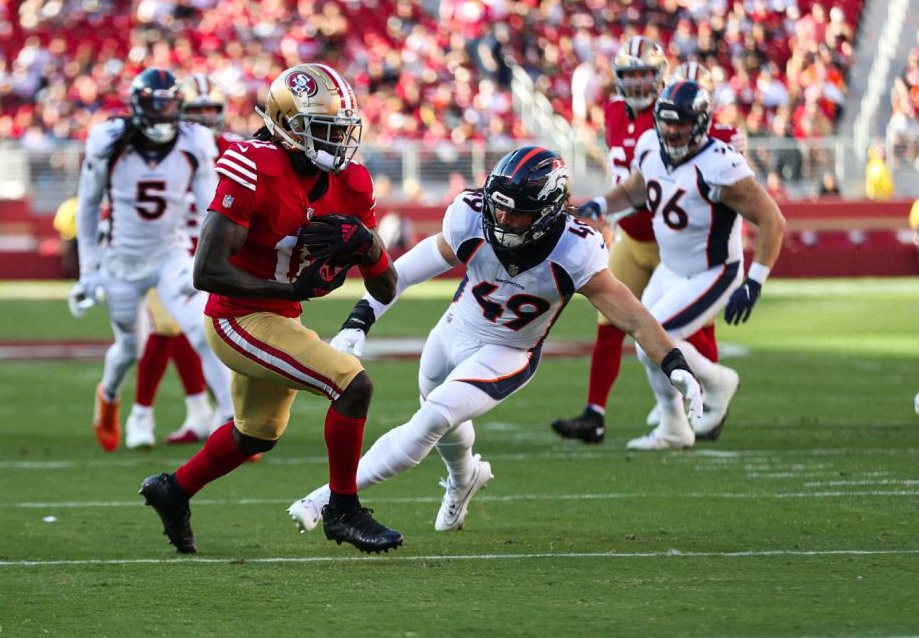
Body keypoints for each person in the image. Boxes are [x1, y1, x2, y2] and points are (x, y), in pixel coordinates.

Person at [287, 146, 704, 534]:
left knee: (433, 418)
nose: (502, 220)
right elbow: (409, 269)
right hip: (452, 331)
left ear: (547, 214)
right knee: (446, 424)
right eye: (499, 208)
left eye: (517, 214)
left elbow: (632, 316)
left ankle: (329, 497)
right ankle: (464, 479)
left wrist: (674, 363)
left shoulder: (575, 249)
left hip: (509, 350)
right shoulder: (470, 216)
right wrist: (360, 319)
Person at [139, 63, 403, 554]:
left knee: (256, 433)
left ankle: (172, 490)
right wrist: (288, 292)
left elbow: (385, 289)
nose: (338, 140)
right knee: (352, 383)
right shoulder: (253, 165)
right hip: (236, 316)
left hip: (278, 317)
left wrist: (367, 245)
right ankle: (342, 510)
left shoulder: (354, 182)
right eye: (324, 129)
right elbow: (207, 271)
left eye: (343, 129)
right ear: (288, 125)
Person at [577, 82, 785, 449]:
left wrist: (756, 280)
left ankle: (706, 393)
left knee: (654, 342)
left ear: (701, 123)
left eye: (681, 124)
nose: (671, 131)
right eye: (666, 123)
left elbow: (772, 220)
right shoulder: (651, 148)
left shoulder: (720, 164)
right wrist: (601, 204)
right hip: (671, 269)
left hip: (712, 271)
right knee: (648, 340)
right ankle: (682, 417)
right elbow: (635, 190)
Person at [551, 52, 737, 444]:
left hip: (681, 246)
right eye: (629, 74)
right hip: (633, 238)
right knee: (611, 320)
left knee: (690, 330)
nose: (637, 82)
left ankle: (703, 402)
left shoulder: (693, 128)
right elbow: (634, 182)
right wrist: (604, 206)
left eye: (645, 74)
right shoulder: (619, 113)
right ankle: (596, 413)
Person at [71, 67, 233, 452]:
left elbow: (213, 208)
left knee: (201, 330)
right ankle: (108, 397)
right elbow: (89, 206)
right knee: (130, 348)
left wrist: (202, 262)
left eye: (170, 106)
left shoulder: (194, 142)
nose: (163, 115)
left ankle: (232, 423)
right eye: (155, 106)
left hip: (170, 255)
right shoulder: (110, 141)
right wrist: (87, 271)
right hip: (121, 262)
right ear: (138, 107)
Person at [132, 73, 247, 446]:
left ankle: (224, 415)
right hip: (175, 252)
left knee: (230, 334)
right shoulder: (161, 149)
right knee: (175, 326)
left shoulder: (240, 151)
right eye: (194, 111)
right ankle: (215, 416)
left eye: (209, 110)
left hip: (231, 254)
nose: (201, 119)